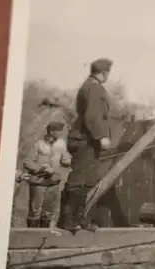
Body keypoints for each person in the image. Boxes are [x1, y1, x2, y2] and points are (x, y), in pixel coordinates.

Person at [58, 58, 113, 232]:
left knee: (86, 180)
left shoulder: (91, 86)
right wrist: (102, 136)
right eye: (108, 73)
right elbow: (93, 115)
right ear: (103, 73)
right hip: (85, 140)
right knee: (79, 181)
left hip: (86, 139)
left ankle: (78, 219)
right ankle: (68, 221)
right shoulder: (93, 88)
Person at [23, 121, 69, 228]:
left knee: (48, 212)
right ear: (52, 132)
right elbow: (27, 162)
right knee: (35, 211)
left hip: (53, 182)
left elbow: (65, 159)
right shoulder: (38, 144)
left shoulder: (61, 144)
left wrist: (67, 161)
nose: (61, 133)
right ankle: (32, 237)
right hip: (38, 182)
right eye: (59, 131)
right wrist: (41, 168)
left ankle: (44, 236)